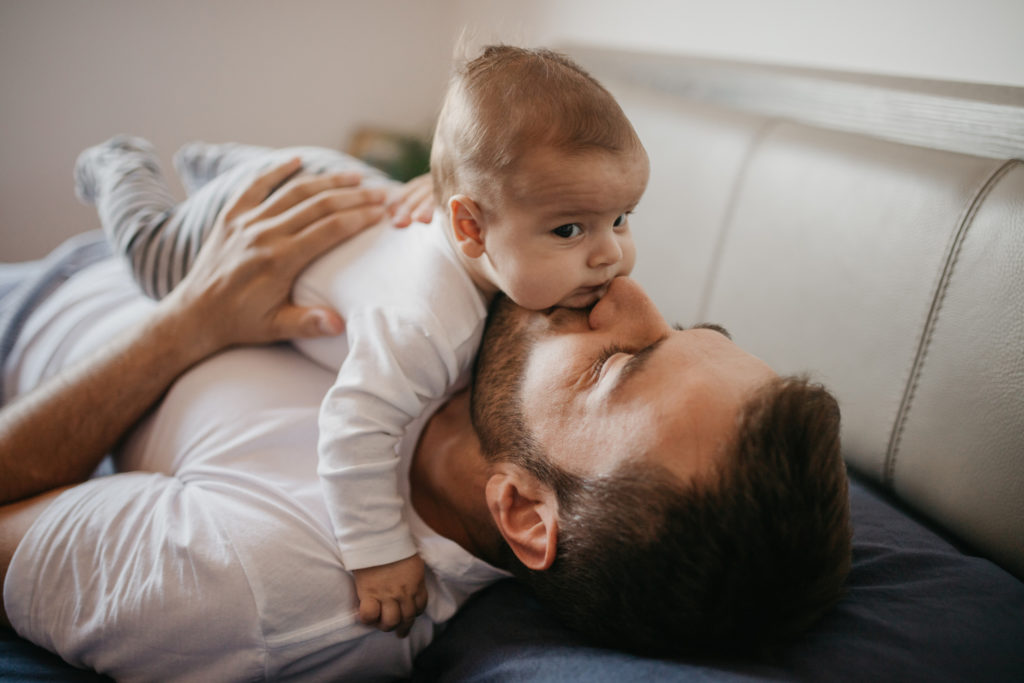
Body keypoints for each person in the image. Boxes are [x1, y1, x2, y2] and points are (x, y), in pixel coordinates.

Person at [0, 162, 850, 679]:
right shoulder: (489, 309)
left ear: (520, 508)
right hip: (135, 241)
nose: (626, 289)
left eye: (622, 362)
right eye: (689, 328)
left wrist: (189, 322)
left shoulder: (257, 581)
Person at [71, 45, 649, 635]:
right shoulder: (422, 327)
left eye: (622, 217)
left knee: (306, 179)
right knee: (155, 264)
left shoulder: (502, 246)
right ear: (469, 228)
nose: (611, 256)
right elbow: (353, 431)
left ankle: (210, 162)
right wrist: (379, 552)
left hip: (332, 182)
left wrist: (442, 185)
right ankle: (123, 165)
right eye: (570, 229)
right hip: (260, 212)